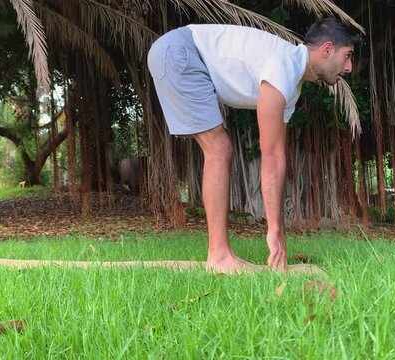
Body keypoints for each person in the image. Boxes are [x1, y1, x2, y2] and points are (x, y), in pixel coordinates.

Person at [147, 18, 361, 273]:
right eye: (347, 56)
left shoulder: (291, 87)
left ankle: (220, 255)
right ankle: (219, 257)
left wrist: (278, 233)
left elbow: (278, 158)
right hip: (179, 52)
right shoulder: (283, 67)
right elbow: (270, 158)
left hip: (179, 51)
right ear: (327, 49)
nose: (349, 67)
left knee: (220, 149)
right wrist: (273, 230)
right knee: (219, 149)